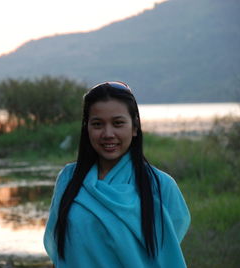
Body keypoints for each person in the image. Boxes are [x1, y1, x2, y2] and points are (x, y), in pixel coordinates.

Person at [43, 81, 190, 267]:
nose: (108, 134)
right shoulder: (68, 179)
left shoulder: (161, 185)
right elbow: (60, 248)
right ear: (86, 127)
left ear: (135, 127)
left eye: (118, 123)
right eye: (97, 124)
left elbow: (168, 249)